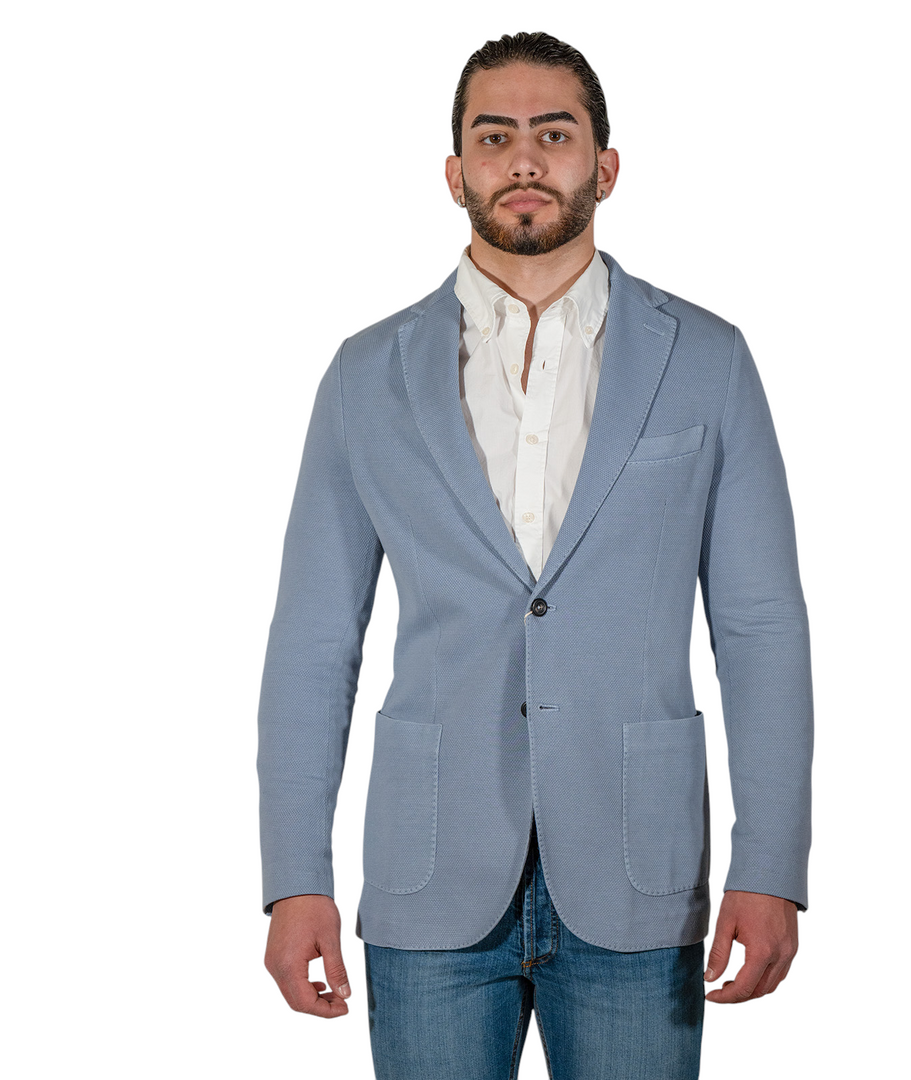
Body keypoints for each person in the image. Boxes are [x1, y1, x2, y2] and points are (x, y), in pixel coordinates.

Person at [258, 30, 813, 1079]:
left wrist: (772, 863)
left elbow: (760, 627)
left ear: (605, 166)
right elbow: (314, 639)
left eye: (554, 134)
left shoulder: (708, 359)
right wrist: (296, 876)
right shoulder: (365, 375)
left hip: (642, 866)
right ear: (454, 171)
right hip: (428, 871)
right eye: (494, 135)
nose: (523, 158)